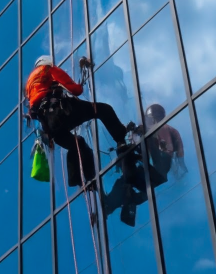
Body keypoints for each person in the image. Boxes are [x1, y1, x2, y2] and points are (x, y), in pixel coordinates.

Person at [25, 55, 136, 187]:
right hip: (63, 112)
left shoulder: (29, 85)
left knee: (77, 144)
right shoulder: (48, 70)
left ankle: (83, 180)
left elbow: (33, 113)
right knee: (103, 110)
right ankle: (120, 140)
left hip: (51, 126)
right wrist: (78, 86)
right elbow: (75, 90)